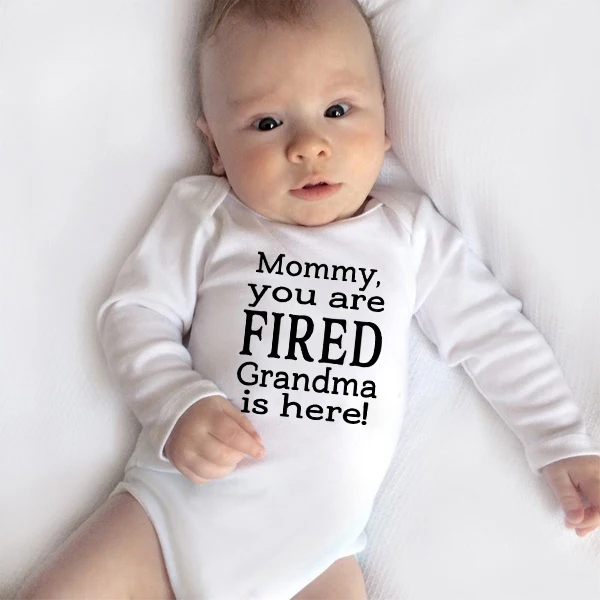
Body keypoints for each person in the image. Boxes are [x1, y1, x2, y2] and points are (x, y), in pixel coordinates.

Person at [17, 0, 600, 598]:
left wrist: (559, 440)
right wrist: (175, 400)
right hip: (168, 515)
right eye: (267, 123)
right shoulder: (208, 215)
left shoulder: (410, 236)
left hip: (315, 559)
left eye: (338, 111)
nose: (309, 145)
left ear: (386, 121)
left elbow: (494, 334)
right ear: (215, 147)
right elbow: (136, 313)